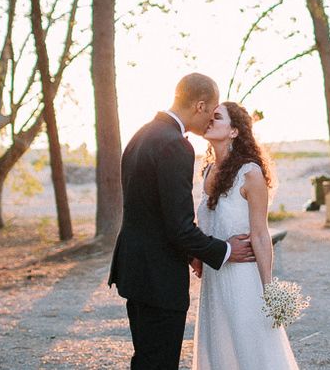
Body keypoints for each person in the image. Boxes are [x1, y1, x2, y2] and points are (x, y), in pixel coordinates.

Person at [108, 73, 256, 370]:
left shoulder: (141, 135)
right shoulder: (176, 145)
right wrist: (223, 251)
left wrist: (192, 253)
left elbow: (154, 212)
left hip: (135, 270)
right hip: (159, 276)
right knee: (159, 362)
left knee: (147, 358)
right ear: (200, 105)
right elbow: (179, 225)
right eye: (212, 112)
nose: (211, 121)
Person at [191, 101, 299, 370]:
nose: (210, 121)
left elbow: (261, 235)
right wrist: (199, 255)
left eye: (217, 117)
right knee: (220, 349)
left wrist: (268, 289)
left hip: (243, 279)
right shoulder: (205, 172)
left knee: (251, 350)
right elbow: (203, 226)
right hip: (215, 279)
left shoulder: (250, 173)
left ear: (235, 131)